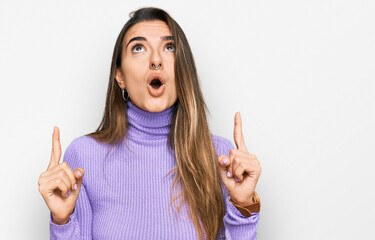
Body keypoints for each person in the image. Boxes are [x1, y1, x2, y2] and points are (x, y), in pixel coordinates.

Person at [38, 7, 262, 240]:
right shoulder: (83, 157)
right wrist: (62, 222)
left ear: (184, 70)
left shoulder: (221, 158)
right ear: (120, 76)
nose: (156, 60)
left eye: (169, 47)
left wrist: (243, 206)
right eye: (138, 48)